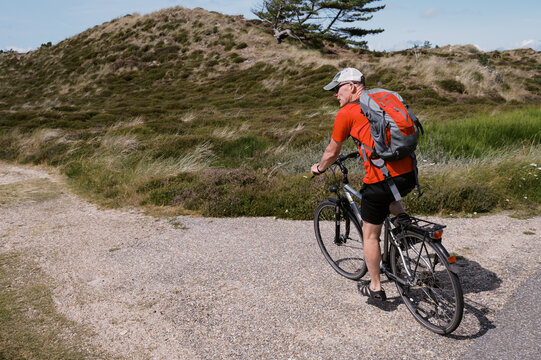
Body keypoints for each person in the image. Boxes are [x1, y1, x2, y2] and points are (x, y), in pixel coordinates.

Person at [310, 68, 416, 301]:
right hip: (409, 175)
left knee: (370, 235)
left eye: (337, 89)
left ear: (352, 86)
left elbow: (331, 151)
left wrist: (319, 168)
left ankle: (376, 287)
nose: (335, 95)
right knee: (389, 195)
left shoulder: (347, 113)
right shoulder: (381, 101)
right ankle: (405, 228)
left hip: (381, 181)